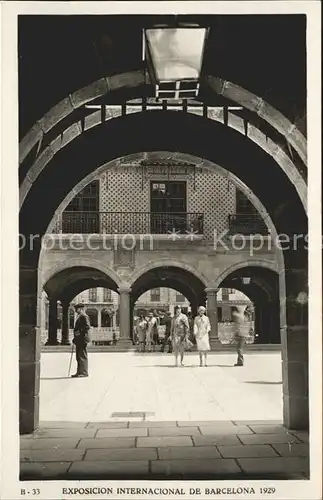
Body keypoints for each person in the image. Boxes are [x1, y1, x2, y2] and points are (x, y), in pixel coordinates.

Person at [71, 303, 91, 378]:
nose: (76, 310)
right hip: (79, 339)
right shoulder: (80, 317)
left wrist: (78, 333)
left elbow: (87, 327)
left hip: (82, 339)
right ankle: (79, 372)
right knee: (78, 356)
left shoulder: (84, 316)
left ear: (81, 309)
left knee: (82, 355)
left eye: (77, 309)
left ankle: (84, 372)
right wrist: (75, 337)